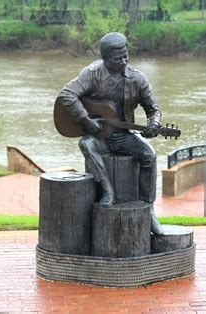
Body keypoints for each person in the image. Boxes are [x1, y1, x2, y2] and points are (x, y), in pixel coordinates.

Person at [56, 32, 164, 235]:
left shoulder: (138, 78)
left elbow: (153, 109)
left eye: (126, 56)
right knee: (86, 144)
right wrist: (85, 119)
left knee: (149, 155)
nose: (123, 61)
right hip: (99, 138)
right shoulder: (92, 73)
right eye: (118, 58)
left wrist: (154, 124)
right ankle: (107, 190)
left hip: (125, 136)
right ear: (105, 57)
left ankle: (148, 209)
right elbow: (67, 94)